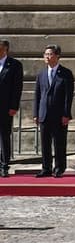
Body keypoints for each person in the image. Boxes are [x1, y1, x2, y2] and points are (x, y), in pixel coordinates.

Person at [33, 44, 74, 177]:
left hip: (59, 114)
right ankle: (46, 168)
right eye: (45, 54)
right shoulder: (41, 74)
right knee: (45, 143)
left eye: (50, 54)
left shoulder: (66, 73)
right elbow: (37, 95)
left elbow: (69, 96)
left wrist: (66, 114)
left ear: (57, 56)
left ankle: (59, 168)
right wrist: (36, 114)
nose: (47, 57)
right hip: (44, 113)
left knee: (59, 143)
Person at [0, 39, 23, 178]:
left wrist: (14, 106)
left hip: (5, 108)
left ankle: (4, 165)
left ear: (5, 49)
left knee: (4, 137)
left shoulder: (14, 65)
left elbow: (17, 87)